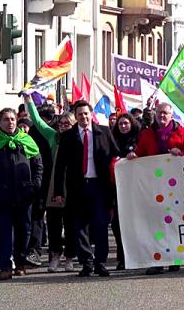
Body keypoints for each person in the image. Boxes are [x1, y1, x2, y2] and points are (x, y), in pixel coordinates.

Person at [54, 100, 120, 277]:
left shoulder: (104, 132)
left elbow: (116, 156)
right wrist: (58, 192)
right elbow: (60, 166)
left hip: (100, 186)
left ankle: (100, 262)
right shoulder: (68, 136)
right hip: (78, 187)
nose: (83, 117)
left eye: (86, 113)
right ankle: (86, 262)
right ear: (75, 117)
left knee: (100, 225)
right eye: (80, 114)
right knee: (80, 227)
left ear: (91, 114)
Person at [127, 103, 184, 275]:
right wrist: (134, 155)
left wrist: (181, 154)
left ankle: (175, 258)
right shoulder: (147, 134)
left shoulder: (183, 133)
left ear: (172, 115)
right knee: (156, 223)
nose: (162, 116)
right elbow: (140, 153)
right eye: (159, 113)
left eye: (165, 113)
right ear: (155, 114)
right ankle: (157, 260)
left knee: (174, 222)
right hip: (154, 186)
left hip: (176, 186)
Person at [0, 108, 43, 280]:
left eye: (13, 119)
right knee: (3, 232)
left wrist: (34, 186)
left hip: (24, 195)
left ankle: (20, 263)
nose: (10, 122)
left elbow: (38, 165)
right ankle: (5, 266)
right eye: (6, 119)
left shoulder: (26, 140)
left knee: (24, 231)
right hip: (1, 195)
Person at [24, 94, 77, 272]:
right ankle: (54, 256)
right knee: (54, 222)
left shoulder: (80, 139)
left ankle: (70, 257)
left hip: (73, 185)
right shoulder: (53, 136)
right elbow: (38, 121)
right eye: (61, 124)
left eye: (67, 124)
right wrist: (29, 100)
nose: (63, 127)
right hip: (55, 185)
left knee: (70, 223)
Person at [111, 113, 141, 270]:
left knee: (136, 223)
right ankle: (122, 257)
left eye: (126, 123)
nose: (123, 126)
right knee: (118, 223)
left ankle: (138, 256)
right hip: (117, 189)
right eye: (120, 124)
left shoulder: (139, 138)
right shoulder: (113, 140)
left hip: (137, 188)